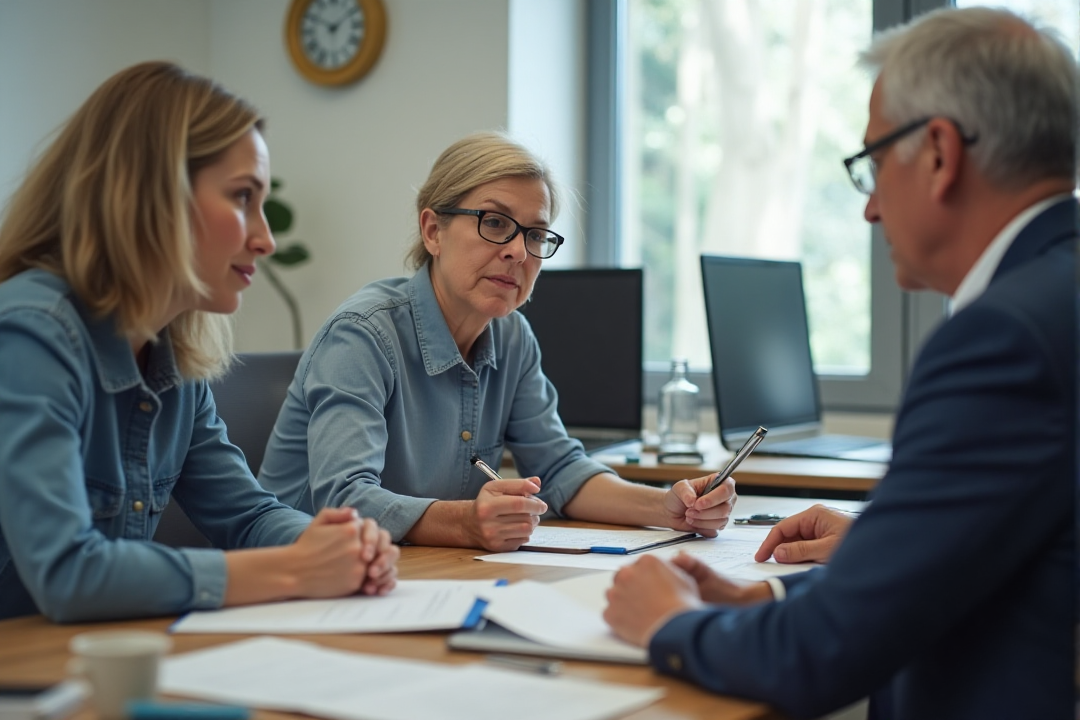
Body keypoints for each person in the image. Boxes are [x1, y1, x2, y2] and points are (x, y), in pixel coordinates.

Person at [603, 7, 1077, 720]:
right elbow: (1020, 558)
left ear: (941, 154)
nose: (870, 210)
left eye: (874, 164)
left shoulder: (1001, 341)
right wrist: (779, 587)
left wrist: (672, 621)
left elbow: (822, 655)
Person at [0, 61, 398, 623]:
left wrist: (334, 543)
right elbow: (69, 575)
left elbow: (248, 517)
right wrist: (295, 569)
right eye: (241, 197)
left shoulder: (173, 355)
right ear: (150, 197)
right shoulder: (31, 333)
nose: (266, 238)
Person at [258, 132, 737, 551]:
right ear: (433, 231)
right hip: (303, 580)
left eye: (535, 234)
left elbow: (559, 469)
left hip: (415, 571)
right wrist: (466, 521)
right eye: (494, 222)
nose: (516, 251)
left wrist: (670, 507)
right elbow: (344, 497)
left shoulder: (511, 338)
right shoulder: (362, 336)